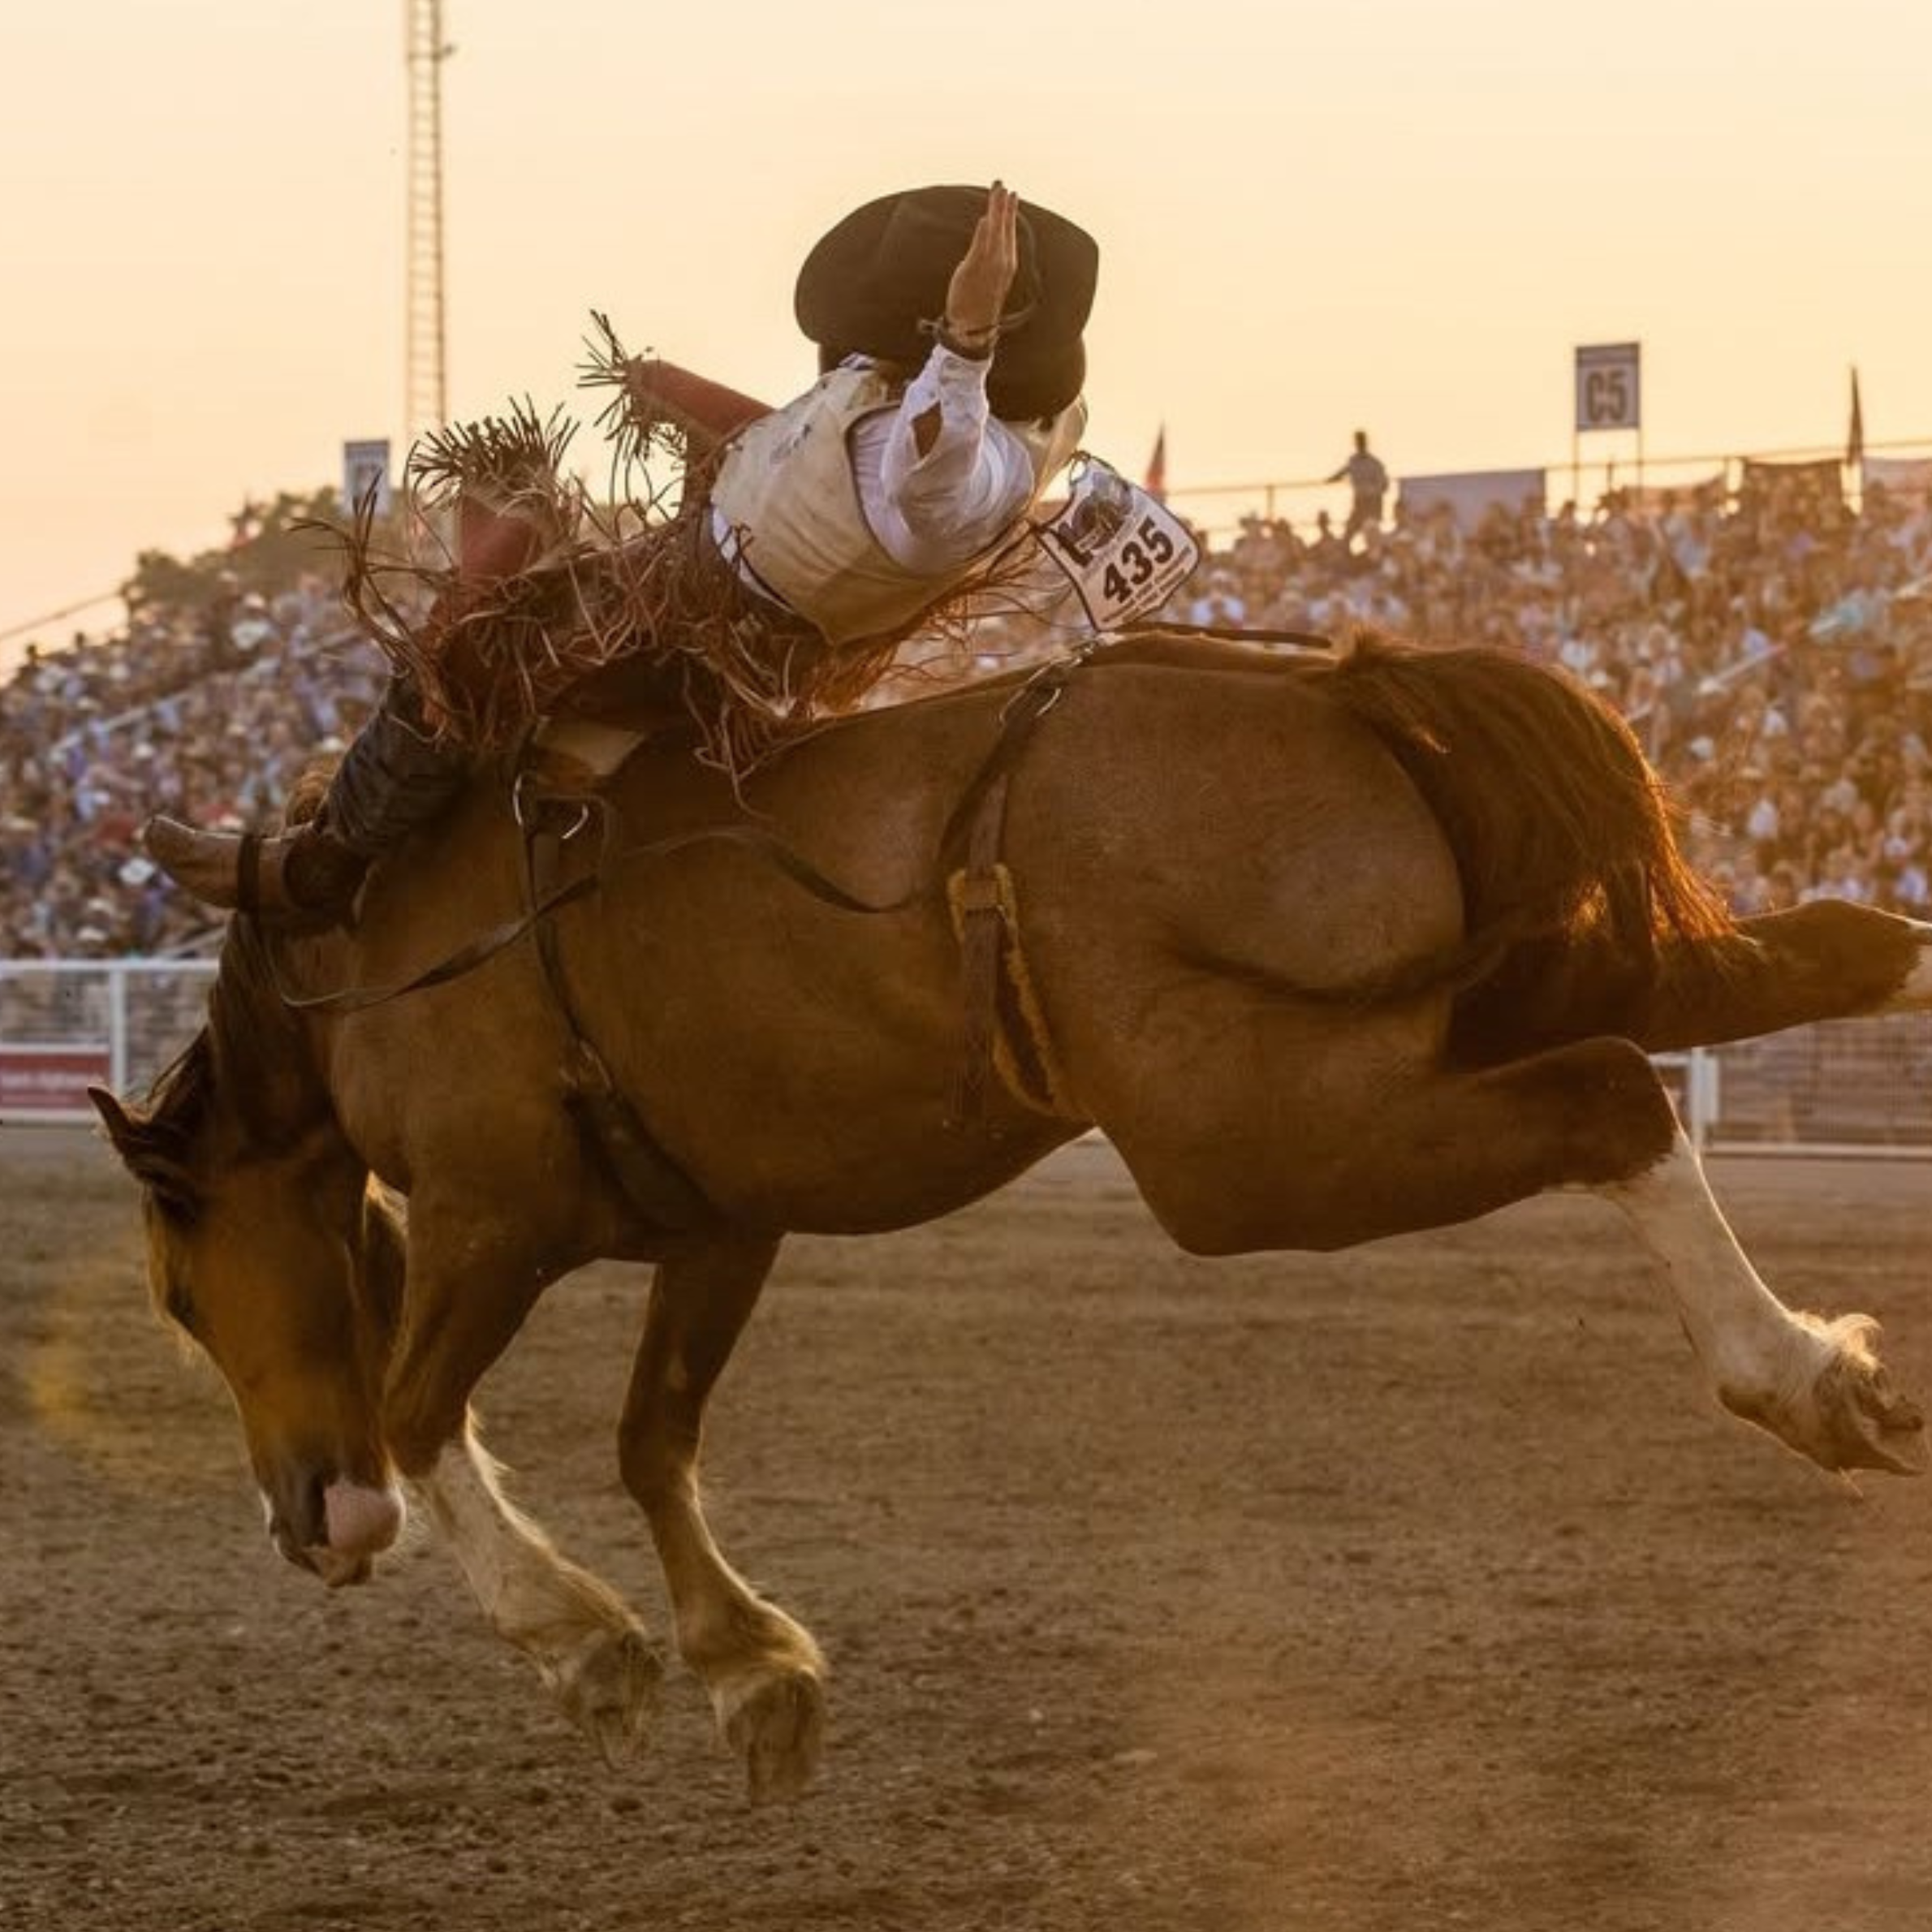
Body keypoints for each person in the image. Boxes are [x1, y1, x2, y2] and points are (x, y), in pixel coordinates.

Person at [144, 182, 1099, 923]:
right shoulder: (918, 417)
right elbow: (833, 459)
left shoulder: (963, 466)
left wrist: (966, 336)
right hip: (714, 580)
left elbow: (926, 473)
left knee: (467, 651)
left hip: (714, 629)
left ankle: (313, 868)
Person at [1330, 430, 1389, 549]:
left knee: (1372, 534)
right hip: (1359, 503)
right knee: (1349, 533)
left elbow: (1384, 484)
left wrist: (1372, 491)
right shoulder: (1353, 461)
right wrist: (1330, 480)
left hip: (1372, 503)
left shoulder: (1375, 463)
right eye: (1358, 441)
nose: (1360, 444)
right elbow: (1342, 473)